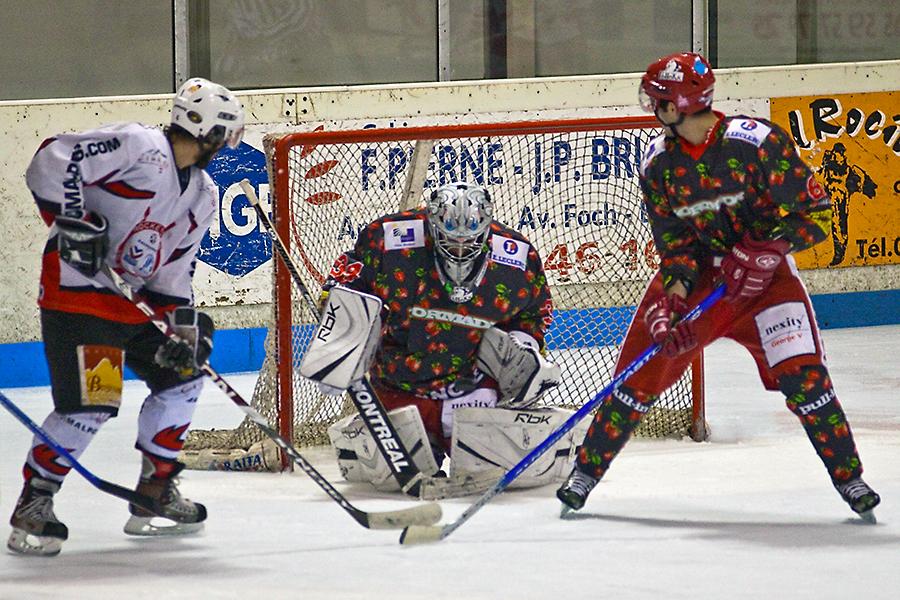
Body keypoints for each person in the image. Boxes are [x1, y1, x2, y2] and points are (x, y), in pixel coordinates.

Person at [556, 52, 880, 522]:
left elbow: (819, 216)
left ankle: (850, 478)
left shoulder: (757, 144)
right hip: (705, 285)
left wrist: (770, 248)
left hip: (766, 284)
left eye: (659, 99)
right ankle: (585, 473)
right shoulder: (659, 167)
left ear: (678, 105)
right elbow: (677, 251)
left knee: (806, 379)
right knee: (636, 378)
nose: (653, 106)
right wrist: (671, 303)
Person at [7, 78, 245, 555]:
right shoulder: (139, 145)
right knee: (92, 403)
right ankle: (36, 503)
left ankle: (156, 491)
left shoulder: (202, 193)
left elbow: (175, 270)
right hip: (80, 297)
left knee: (184, 372)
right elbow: (52, 160)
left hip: (133, 303)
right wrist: (73, 220)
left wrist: (182, 327)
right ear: (216, 135)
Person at [311, 181, 570, 494]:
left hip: (475, 391)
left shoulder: (516, 255)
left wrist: (523, 349)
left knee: (496, 473)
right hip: (401, 385)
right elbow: (346, 284)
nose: (460, 249)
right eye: (449, 240)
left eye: (470, 242)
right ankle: (382, 430)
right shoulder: (388, 240)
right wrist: (339, 342)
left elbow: (532, 312)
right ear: (432, 226)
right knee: (391, 478)